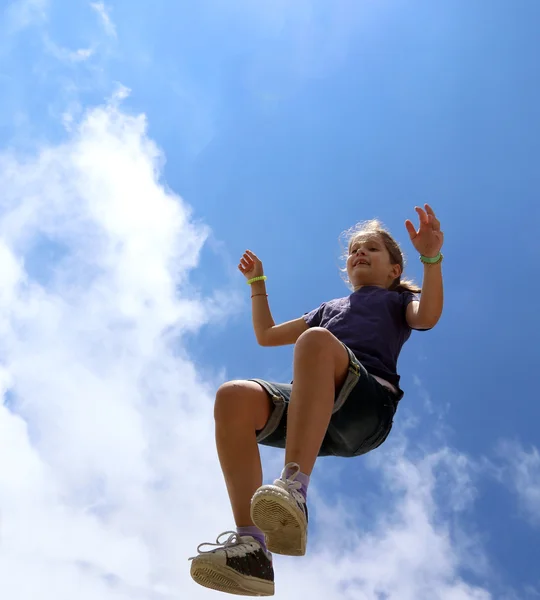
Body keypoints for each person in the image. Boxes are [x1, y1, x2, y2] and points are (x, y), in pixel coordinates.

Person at [189, 204, 444, 596]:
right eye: (354, 249)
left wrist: (431, 258)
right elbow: (267, 334)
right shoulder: (329, 310)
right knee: (232, 398)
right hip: (313, 414)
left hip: (365, 407)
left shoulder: (396, 303)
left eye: (371, 249)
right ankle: (251, 548)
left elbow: (426, 316)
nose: (359, 253)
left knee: (316, 342)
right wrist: (258, 284)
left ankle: (294, 487)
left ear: (394, 270)